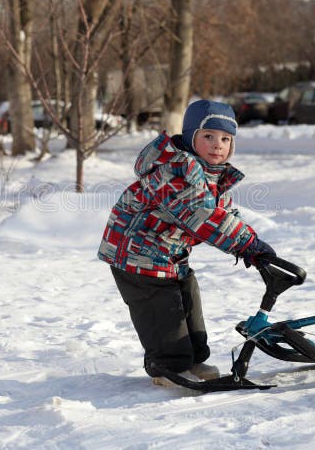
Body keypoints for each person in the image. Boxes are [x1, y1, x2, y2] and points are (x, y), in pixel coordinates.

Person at [97, 99, 277, 386]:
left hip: (168, 254)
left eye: (225, 138)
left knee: (188, 296)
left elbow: (223, 212)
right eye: (208, 136)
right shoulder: (175, 170)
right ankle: (168, 366)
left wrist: (252, 245)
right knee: (162, 307)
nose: (218, 144)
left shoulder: (209, 174)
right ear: (191, 137)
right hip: (136, 255)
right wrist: (245, 243)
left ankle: (192, 358)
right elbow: (200, 214)